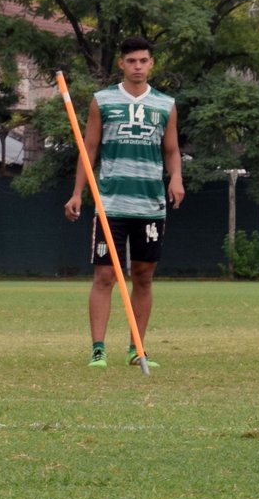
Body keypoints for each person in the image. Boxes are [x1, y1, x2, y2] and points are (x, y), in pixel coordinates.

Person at [64, 36, 184, 369]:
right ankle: (98, 349)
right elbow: (88, 150)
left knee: (143, 277)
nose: (137, 66)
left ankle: (136, 348)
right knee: (104, 276)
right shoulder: (102, 101)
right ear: (122, 63)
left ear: (151, 63)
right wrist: (78, 193)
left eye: (143, 61)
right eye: (131, 61)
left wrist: (176, 178)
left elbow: (171, 150)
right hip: (111, 204)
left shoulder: (165, 104)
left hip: (149, 205)